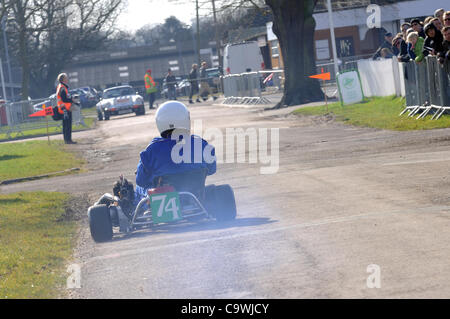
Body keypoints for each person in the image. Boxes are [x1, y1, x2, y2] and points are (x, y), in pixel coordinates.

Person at [135, 101, 216, 193]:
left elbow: (141, 181)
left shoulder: (152, 150)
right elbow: (212, 169)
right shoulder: (201, 144)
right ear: (186, 120)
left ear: (159, 122)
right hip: (196, 197)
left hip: (163, 203)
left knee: (139, 189)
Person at [56, 73, 76, 144]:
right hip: (65, 108)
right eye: (66, 77)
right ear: (63, 79)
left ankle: (67, 140)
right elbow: (64, 99)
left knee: (65, 125)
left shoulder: (60, 86)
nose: (67, 79)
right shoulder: (62, 87)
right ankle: (68, 140)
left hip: (63, 108)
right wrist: (71, 100)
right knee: (67, 125)